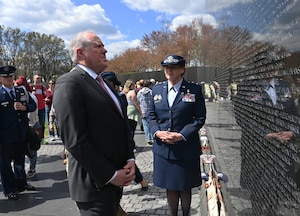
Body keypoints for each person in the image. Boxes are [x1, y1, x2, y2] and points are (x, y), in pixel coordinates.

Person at [53, 30, 135, 216]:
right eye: (98, 46)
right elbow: (74, 140)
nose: (105, 50)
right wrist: (111, 175)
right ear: (81, 52)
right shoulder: (70, 83)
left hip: (115, 180)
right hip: (94, 184)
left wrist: (129, 158)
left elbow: (121, 126)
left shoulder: (103, 83)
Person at [147, 54, 206, 216]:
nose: (169, 71)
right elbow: (150, 116)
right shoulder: (157, 90)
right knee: (170, 186)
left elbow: (199, 117)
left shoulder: (194, 90)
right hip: (164, 148)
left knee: (184, 187)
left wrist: (181, 135)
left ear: (182, 69)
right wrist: (157, 132)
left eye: (173, 67)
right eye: (166, 67)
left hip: (185, 148)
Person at [101, 71, 148, 191]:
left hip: (119, 134)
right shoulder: (107, 96)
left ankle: (141, 181)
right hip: (108, 137)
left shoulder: (119, 96)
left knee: (125, 160)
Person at [0, 65, 36, 200]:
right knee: (5, 165)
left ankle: (22, 184)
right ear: (0, 79)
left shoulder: (21, 91)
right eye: (5, 77)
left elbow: (33, 105)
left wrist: (24, 107)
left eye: (10, 76)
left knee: (20, 162)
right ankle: (9, 189)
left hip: (21, 133)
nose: (9, 78)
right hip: (5, 136)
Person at [14, 76, 41, 179]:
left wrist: (30, 125)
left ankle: (32, 169)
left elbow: (33, 111)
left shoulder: (30, 96)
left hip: (31, 124)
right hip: (24, 126)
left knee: (32, 149)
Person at [122, 79, 143, 150]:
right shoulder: (132, 92)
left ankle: (131, 143)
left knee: (129, 128)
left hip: (127, 109)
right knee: (132, 128)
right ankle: (131, 144)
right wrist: (140, 112)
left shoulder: (125, 92)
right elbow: (136, 103)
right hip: (133, 109)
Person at [137, 79, 153, 145]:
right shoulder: (151, 91)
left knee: (145, 125)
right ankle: (153, 136)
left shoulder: (140, 92)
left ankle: (148, 138)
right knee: (152, 124)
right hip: (150, 110)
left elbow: (138, 101)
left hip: (143, 110)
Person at [31, 74, 47, 140]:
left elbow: (45, 96)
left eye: (40, 78)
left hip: (41, 108)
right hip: (34, 109)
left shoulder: (43, 87)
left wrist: (45, 94)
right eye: (37, 78)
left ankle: (41, 138)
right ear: (34, 79)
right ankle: (34, 137)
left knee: (42, 123)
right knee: (33, 123)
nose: (39, 80)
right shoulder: (31, 87)